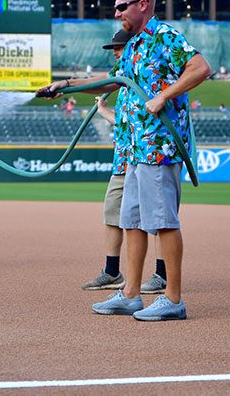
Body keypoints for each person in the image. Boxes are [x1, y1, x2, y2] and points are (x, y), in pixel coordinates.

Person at [90, 0, 211, 321]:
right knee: (132, 222)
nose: (117, 13)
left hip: (159, 147)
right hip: (135, 150)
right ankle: (130, 293)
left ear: (143, 5)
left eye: (122, 6)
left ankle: (173, 299)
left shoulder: (164, 36)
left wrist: (164, 95)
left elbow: (200, 67)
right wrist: (64, 86)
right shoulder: (132, 46)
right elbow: (113, 82)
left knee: (164, 223)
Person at [40, 29, 167, 295]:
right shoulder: (125, 77)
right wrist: (66, 86)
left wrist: (74, 88)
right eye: (114, 50)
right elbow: (117, 106)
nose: (116, 53)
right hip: (124, 157)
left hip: (149, 154)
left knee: (157, 218)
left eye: (118, 48)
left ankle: (162, 274)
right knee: (114, 213)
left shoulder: (147, 72)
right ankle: (112, 272)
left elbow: (139, 113)